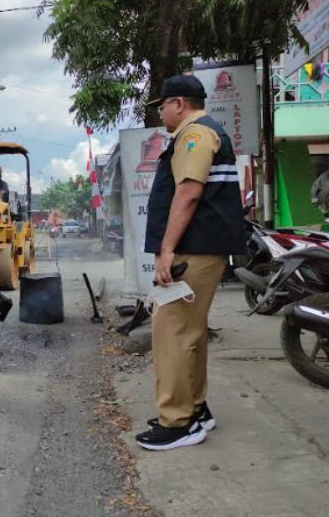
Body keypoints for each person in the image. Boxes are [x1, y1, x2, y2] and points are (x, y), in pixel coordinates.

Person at [137, 75, 245, 451]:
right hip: (203, 248)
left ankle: (178, 422)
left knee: (172, 333)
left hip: (192, 249)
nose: (162, 112)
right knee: (191, 333)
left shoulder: (195, 134)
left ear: (179, 103)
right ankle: (196, 409)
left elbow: (188, 193)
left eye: (163, 105)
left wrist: (167, 250)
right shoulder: (202, 133)